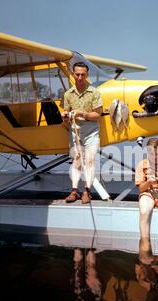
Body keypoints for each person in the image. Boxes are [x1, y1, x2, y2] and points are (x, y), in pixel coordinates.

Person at [61, 62, 103, 204]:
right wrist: (65, 117)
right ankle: (74, 191)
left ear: (87, 75)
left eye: (82, 75)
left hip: (91, 131)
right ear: (73, 75)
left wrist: (82, 114)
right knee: (77, 160)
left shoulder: (95, 92)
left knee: (90, 160)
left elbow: (98, 115)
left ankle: (87, 191)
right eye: (77, 74)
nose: (79, 77)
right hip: (75, 131)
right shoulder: (67, 94)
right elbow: (66, 115)